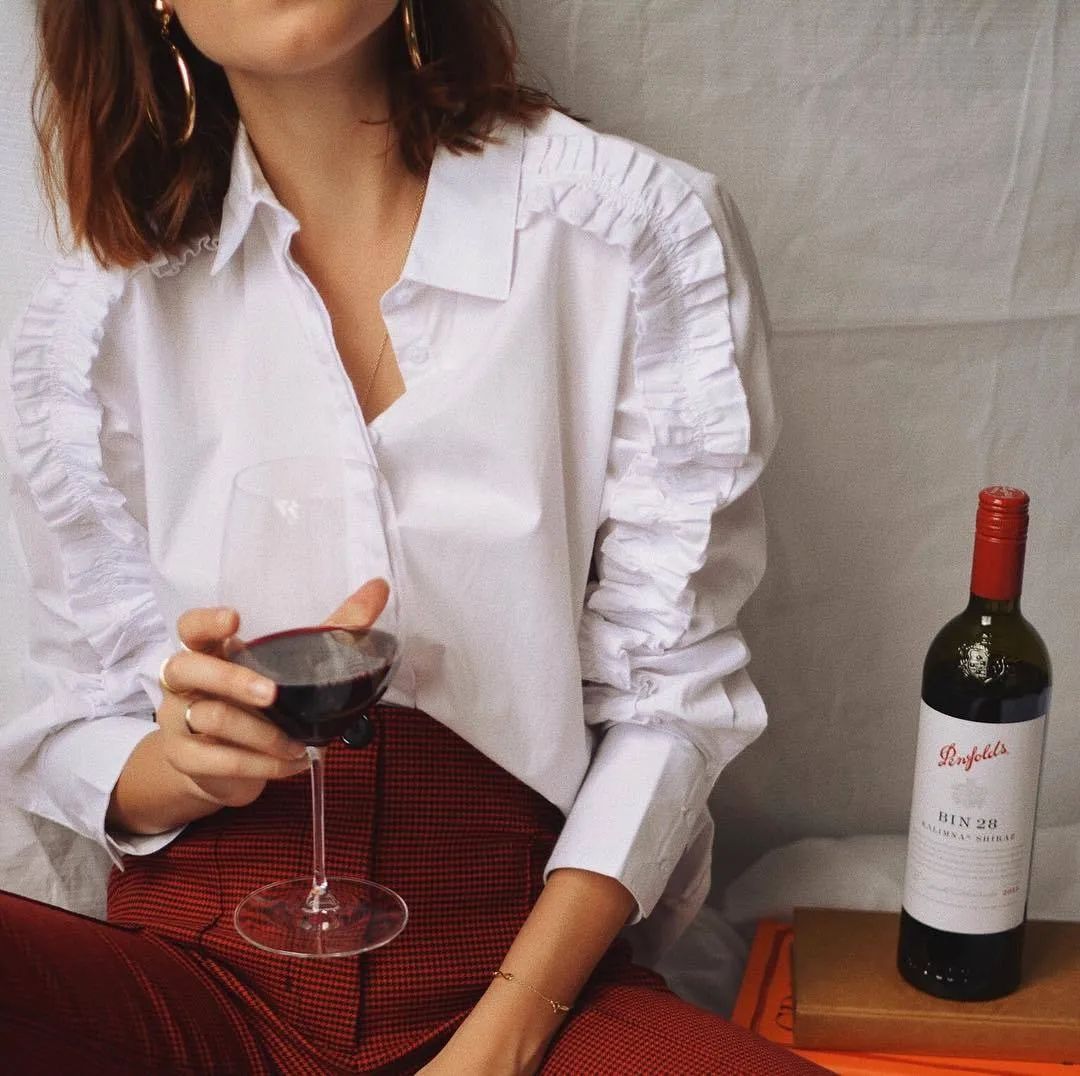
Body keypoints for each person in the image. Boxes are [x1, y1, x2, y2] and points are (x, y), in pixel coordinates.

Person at [0, 1, 823, 1073]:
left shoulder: (628, 234)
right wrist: (183, 763)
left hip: (515, 967)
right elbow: (66, 721)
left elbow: (669, 703)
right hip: (198, 966)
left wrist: (502, 1038)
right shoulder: (101, 314)